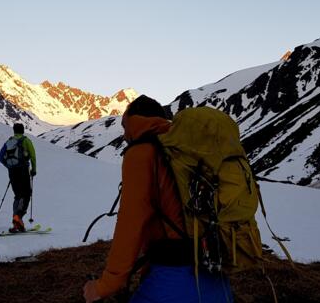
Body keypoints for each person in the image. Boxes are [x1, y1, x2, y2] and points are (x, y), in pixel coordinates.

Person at [82, 95, 234, 303]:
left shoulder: (141, 153)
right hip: (216, 281)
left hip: (174, 280)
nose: (124, 134)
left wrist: (104, 286)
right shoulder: (183, 151)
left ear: (132, 121)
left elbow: (130, 225)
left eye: (124, 125)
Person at [0, 123, 37, 233]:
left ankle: (16, 222)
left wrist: (9, 167)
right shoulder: (26, 141)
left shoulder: (8, 142)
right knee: (26, 194)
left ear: (14, 131)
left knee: (17, 195)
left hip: (12, 172)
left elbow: (0, 157)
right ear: (23, 130)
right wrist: (33, 170)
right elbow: (33, 156)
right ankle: (18, 217)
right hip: (23, 171)